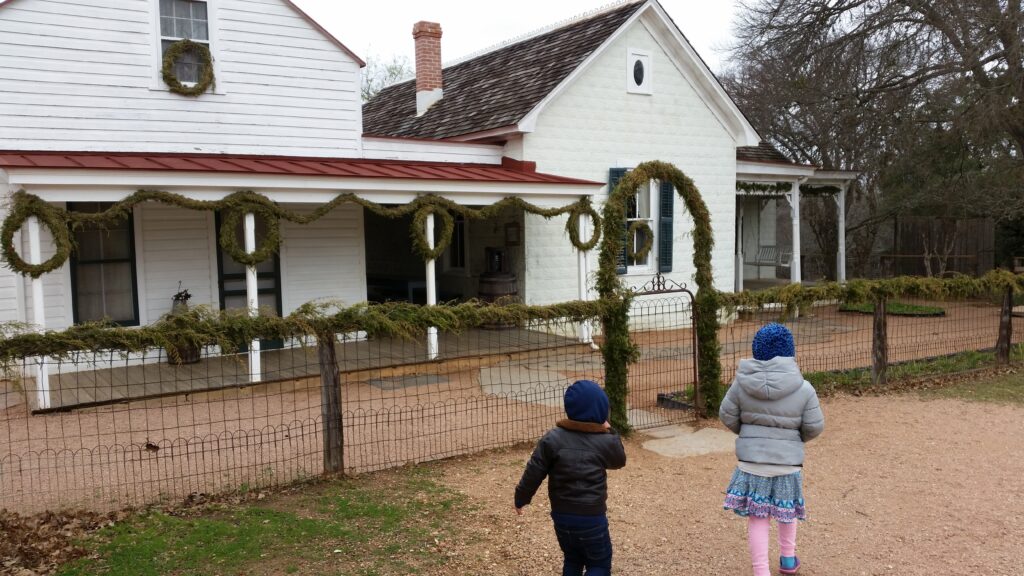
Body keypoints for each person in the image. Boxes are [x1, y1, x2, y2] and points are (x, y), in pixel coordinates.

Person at [719, 323, 825, 576]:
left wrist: (747, 435)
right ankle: (788, 560)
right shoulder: (804, 388)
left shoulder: (740, 385)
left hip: (752, 463)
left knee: (758, 518)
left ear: (756, 350)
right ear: (790, 352)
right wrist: (793, 441)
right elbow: (814, 427)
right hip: (787, 463)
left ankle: (761, 571)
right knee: (786, 510)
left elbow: (726, 415)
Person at [514, 380, 627, 576]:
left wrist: (521, 498)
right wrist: (610, 430)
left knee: (573, 559)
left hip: (562, 517)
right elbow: (619, 460)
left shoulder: (552, 438)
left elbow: (534, 470)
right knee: (599, 564)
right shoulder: (605, 441)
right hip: (592, 518)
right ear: (602, 412)